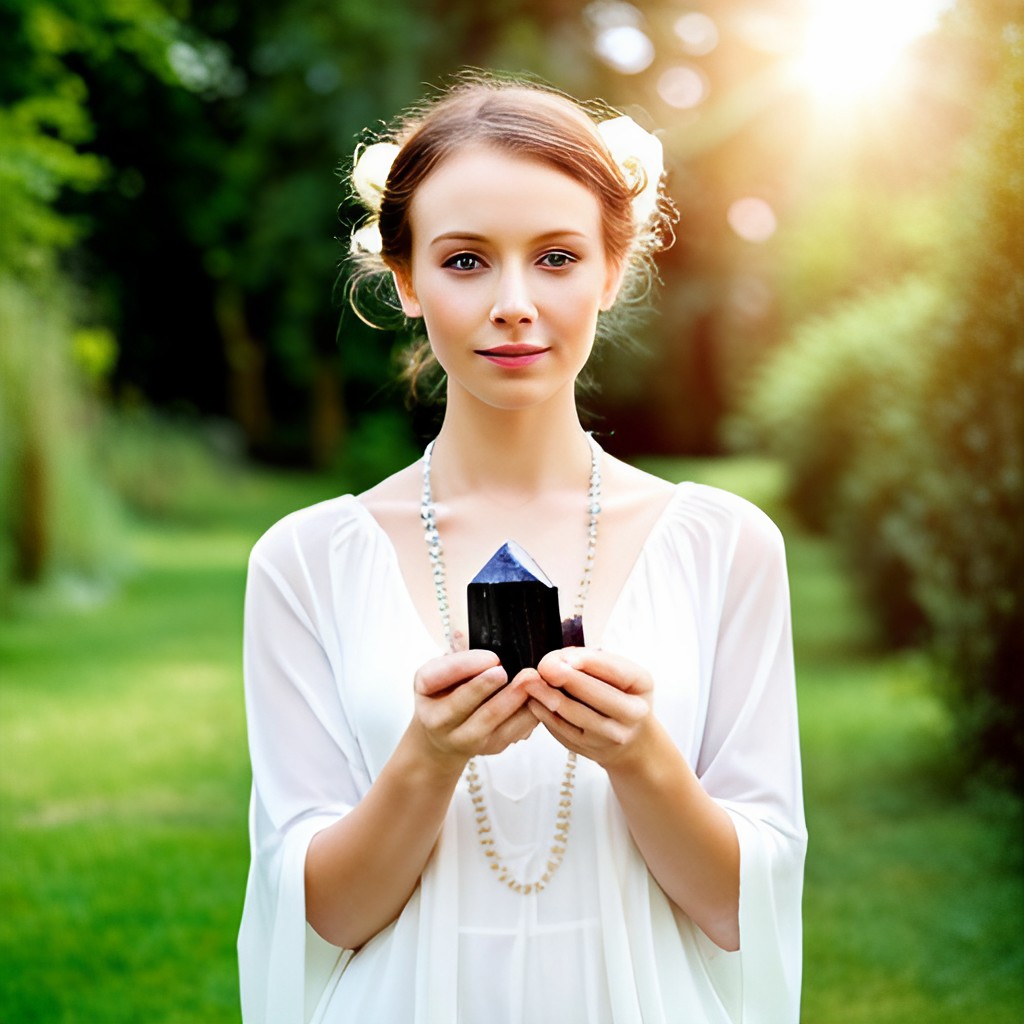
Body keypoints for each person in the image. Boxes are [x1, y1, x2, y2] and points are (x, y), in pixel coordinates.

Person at [238, 73, 806, 1024]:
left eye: (554, 256)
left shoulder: (727, 547)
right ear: (406, 279)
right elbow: (323, 916)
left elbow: (740, 911)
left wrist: (641, 758)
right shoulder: (304, 562)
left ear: (610, 271)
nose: (512, 302)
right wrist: (426, 758)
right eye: (465, 261)